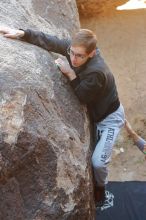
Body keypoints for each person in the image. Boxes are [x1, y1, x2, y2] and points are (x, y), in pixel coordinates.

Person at [0, 26, 125, 207]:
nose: (73, 59)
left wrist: (70, 73)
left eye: (79, 56)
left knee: (98, 163)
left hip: (109, 119)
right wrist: (23, 33)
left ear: (92, 54)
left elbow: (83, 96)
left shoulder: (97, 72)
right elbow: (50, 41)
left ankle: (101, 190)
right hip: (99, 112)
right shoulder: (75, 48)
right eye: (72, 53)